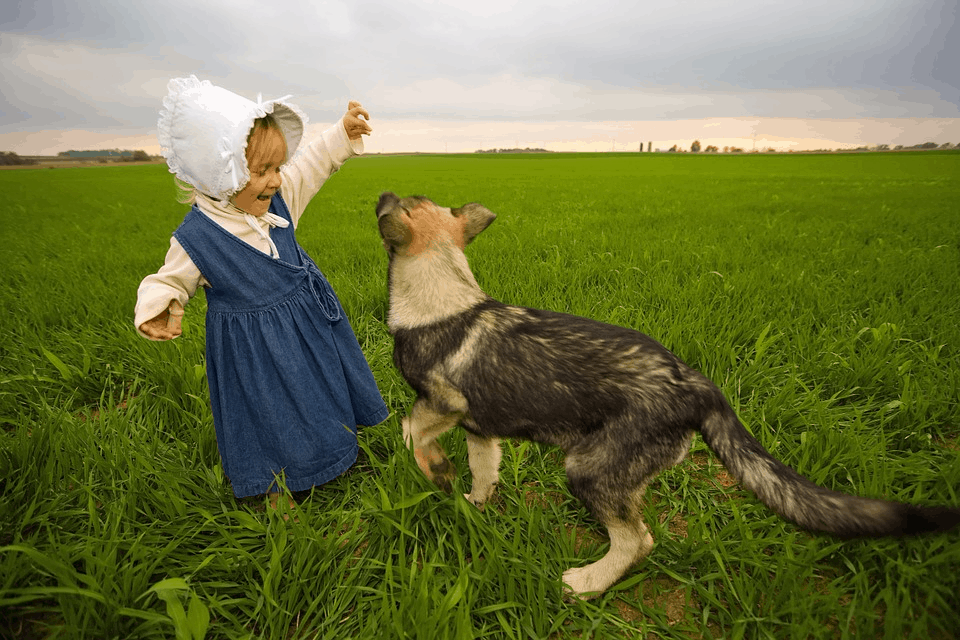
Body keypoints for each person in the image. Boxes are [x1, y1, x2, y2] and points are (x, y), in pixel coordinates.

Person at [135, 75, 388, 508]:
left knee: (320, 389)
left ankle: (335, 454)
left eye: (277, 167)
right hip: (253, 352)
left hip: (308, 326)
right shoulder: (198, 236)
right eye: (262, 171)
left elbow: (311, 164)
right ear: (221, 173)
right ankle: (274, 486)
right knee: (268, 413)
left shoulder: (281, 197)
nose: (275, 180)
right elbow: (169, 278)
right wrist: (161, 307)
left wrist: (341, 135)